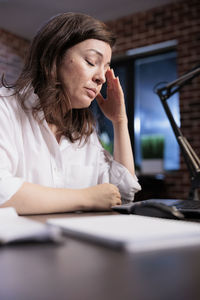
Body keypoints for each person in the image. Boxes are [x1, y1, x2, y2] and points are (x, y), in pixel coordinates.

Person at [0, 12, 141, 215]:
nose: (101, 77)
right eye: (92, 61)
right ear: (54, 57)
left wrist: (119, 121)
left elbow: (121, 194)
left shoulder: (85, 130)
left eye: (106, 68)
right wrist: (86, 198)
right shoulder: (5, 108)